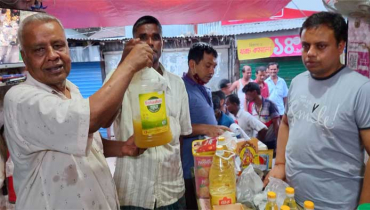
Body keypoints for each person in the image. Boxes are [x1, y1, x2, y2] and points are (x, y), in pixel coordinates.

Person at [4, 13, 153, 209]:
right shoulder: (21, 99)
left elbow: (89, 133)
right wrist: (129, 66)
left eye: (58, 46)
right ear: (24, 57)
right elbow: (91, 119)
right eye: (39, 50)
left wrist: (123, 148)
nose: (52, 55)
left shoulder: (71, 88)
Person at [265, 12, 370, 209]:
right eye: (305, 46)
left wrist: (367, 206)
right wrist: (280, 163)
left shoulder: (362, 89)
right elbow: (287, 123)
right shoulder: (297, 82)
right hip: (292, 197)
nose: (310, 53)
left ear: (341, 46)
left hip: (337, 204)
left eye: (320, 46)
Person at [103, 16, 192, 209]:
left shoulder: (177, 84)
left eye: (155, 37)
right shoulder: (117, 78)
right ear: (133, 43)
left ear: (162, 42)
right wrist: (123, 65)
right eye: (143, 37)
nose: (150, 43)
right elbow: (104, 120)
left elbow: (182, 136)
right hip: (133, 192)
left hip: (172, 191)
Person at [182, 42, 230, 209]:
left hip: (208, 164)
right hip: (190, 168)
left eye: (214, 66)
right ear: (192, 64)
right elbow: (175, 128)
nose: (212, 71)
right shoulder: (181, 89)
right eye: (208, 65)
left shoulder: (204, 88)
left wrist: (216, 129)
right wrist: (206, 128)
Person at [243, 82, 280, 151]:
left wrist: (279, 145)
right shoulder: (253, 107)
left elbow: (276, 126)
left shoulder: (270, 105)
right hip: (259, 143)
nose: (246, 97)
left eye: (247, 94)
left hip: (270, 143)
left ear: (254, 92)